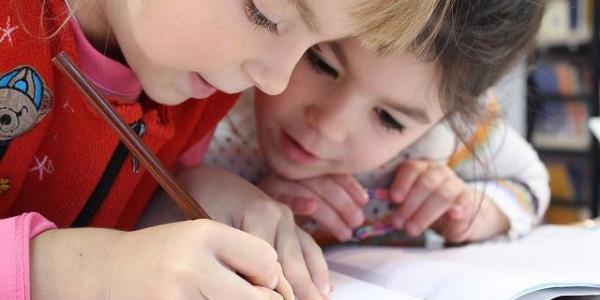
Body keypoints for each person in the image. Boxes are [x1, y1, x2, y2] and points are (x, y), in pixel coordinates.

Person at [0, 0, 444, 299]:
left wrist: (183, 202)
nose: (276, 80)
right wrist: (77, 273)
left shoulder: (197, 86)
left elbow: (103, 214)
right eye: (265, 13)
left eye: (312, 47)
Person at [198, 0, 550, 245]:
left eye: (388, 119)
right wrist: (235, 204)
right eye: (321, 64)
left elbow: (531, 182)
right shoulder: (212, 94)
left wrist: (477, 210)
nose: (329, 126)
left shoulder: (444, 138)